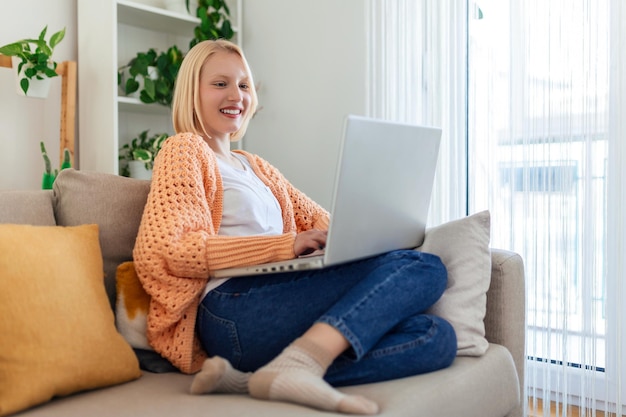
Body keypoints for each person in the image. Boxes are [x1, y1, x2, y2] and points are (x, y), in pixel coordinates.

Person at [133, 39, 457, 415]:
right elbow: (172, 250)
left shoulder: (256, 167)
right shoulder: (184, 150)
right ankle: (300, 363)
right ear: (193, 92)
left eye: (243, 85)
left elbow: (326, 223)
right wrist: (285, 245)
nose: (236, 95)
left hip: (276, 298)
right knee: (424, 267)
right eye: (220, 83)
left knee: (435, 337)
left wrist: (366, 226)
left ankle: (253, 379)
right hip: (231, 310)